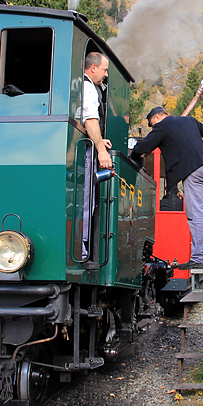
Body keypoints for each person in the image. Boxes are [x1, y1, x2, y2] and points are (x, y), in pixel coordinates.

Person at [131, 106, 203, 269]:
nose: (153, 127)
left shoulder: (162, 126)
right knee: (202, 214)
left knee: (195, 214)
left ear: (156, 117)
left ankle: (200, 259)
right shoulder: (189, 120)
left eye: (152, 123)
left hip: (194, 171)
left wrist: (134, 156)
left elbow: (141, 148)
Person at [78, 52, 112, 260]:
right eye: (104, 69)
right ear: (93, 68)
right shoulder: (88, 86)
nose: (106, 75)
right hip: (84, 152)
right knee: (85, 199)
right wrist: (101, 151)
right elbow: (90, 121)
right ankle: (81, 250)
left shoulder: (77, 85)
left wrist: (100, 140)